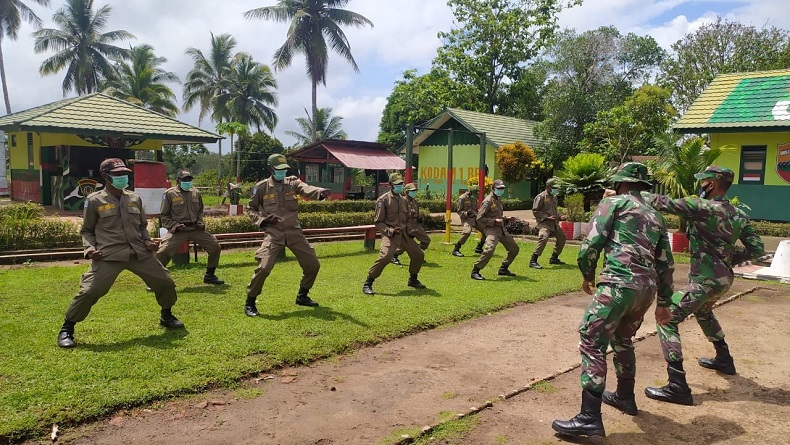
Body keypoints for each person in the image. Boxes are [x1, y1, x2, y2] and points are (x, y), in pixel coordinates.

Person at [551, 162, 674, 438]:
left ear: (619, 182)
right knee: (623, 339)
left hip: (618, 282)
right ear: (643, 186)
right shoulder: (656, 215)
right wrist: (664, 301)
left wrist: (587, 274)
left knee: (592, 339)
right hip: (646, 289)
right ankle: (625, 397)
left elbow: (591, 244)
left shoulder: (613, 204)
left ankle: (589, 417)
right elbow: (666, 262)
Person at [643, 166, 764, 406]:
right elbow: (757, 249)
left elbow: (660, 201)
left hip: (704, 281)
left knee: (666, 318)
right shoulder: (738, 214)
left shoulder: (702, 207)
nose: (701, 185)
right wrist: (726, 259)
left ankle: (677, 385)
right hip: (723, 280)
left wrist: (624, 194)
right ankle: (724, 358)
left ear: (713, 183)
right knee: (704, 311)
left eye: (704, 181)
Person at [57, 158, 184, 348]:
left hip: (138, 252)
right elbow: (87, 230)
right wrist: (90, 249)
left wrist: (148, 241)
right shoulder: (94, 200)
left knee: (165, 282)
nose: (122, 177)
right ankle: (67, 328)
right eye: (117, 175)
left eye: (124, 174)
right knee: (90, 290)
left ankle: (166, 315)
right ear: (106, 176)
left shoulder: (134, 198)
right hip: (109, 255)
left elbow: (141, 226)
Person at [243, 154, 331, 317]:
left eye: (284, 170)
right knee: (264, 268)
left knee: (313, 265)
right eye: (279, 170)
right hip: (274, 234)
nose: (282, 173)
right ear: (271, 169)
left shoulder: (292, 182)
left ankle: (302, 295)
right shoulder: (261, 187)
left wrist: (320, 192)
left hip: (294, 232)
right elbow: (250, 208)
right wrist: (263, 219)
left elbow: (306, 188)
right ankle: (250, 301)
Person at [155, 170, 224, 285]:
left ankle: (210, 275)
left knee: (215, 247)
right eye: (185, 180)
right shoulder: (169, 194)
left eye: (189, 180)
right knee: (163, 251)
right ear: (178, 181)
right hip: (178, 230)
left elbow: (200, 210)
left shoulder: (196, 193)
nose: (187, 182)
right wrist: (175, 226)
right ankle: (156, 280)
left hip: (195, 228)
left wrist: (200, 222)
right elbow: (164, 215)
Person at [362, 173, 427, 295]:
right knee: (385, 257)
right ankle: (368, 282)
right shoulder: (383, 200)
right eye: (397, 184)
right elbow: (378, 222)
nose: (400, 186)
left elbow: (406, 219)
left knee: (418, 254)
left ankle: (413, 279)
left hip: (404, 234)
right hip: (391, 235)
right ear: (391, 185)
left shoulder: (403, 200)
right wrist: (389, 231)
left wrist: (410, 229)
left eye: (401, 184)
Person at [470, 179, 519, 280]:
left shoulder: (498, 199)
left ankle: (503, 268)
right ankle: (475, 270)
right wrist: (493, 221)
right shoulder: (488, 201)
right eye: (499, 188)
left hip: (501, 229)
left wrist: (506, 219)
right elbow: (479, 218)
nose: (501, 190)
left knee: (514, 249)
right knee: (489, 249)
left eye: (502, 188)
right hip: (492, 230)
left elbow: (497, 215)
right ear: (493, 188)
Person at [530, 177, 567, 269]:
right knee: (543, 238)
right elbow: (535, 211)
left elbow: (554, 211)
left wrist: (559, 217)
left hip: (554, 223)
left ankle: (554, 258)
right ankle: (533, 260)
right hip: (544, 223)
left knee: (562, 238)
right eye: (555, 187)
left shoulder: (553, 197)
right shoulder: (541, 197)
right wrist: (546, 218)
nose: (556, 189)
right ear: (549, 187)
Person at [391, 182, 430, 265]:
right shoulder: (403, 201)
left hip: (416, 224)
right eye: (412, 191)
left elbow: (416, 213)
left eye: (415, 191)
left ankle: (417, 253)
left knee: (426, 240)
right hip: (406, 225)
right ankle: (394, 256)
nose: (414, 193)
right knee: (406, 244)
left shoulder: (415, 201)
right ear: (406, 192)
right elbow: (402, 216)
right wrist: (407, 227)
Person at [451, 185, 485, 257]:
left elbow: (475, 208)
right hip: (467, 219)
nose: (477, 195)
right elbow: (459, 211)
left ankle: (479, 248)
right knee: (467, 232)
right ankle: (456, 249)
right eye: (475, 193)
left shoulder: (474, 198)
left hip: (475, 218)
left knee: (486, 231)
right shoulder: (462, 198)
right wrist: (466, 213)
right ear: (470, 192)